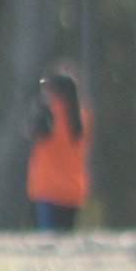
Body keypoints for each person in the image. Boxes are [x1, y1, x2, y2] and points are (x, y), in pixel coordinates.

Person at [26, 67, 91, 234]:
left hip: (48, 188)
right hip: (73, 190)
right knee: (65, 242)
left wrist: (37, 110)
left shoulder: (48, 114)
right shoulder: (82, 118)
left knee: (49, 241)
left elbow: (33, 134)